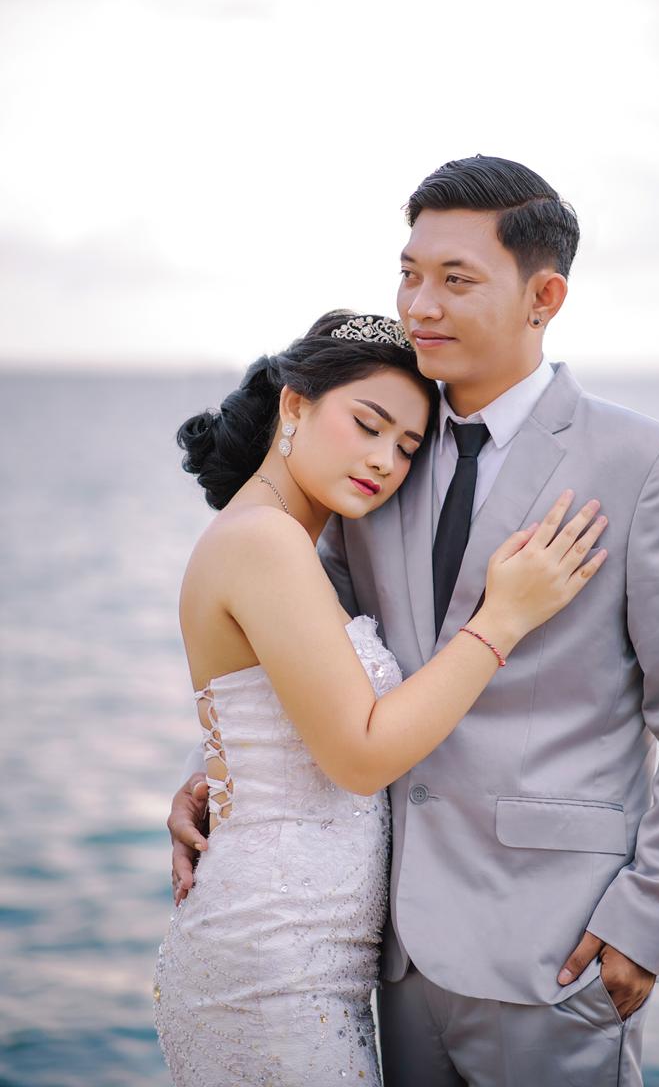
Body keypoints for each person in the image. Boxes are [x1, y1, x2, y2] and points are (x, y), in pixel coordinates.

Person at [170, 156, 659, 1086]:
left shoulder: (645, 463)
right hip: (387, 951)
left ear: (543, 297)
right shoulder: (376, 465)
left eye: (455, 279)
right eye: (409, 273)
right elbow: (307, 658)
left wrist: (654, 915)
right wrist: (220, 772)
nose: (420, 305)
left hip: (556, 946)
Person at [154, 307, 609, 1087]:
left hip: (305, 959)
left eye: (406, 447)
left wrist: (207, 774)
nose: (384, 461)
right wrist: (503, 619)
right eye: (367, 425)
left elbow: (265, 709)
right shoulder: (264, 539)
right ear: (294, 405)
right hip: (273, 965)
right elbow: (359, 756)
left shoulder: (288, 542)